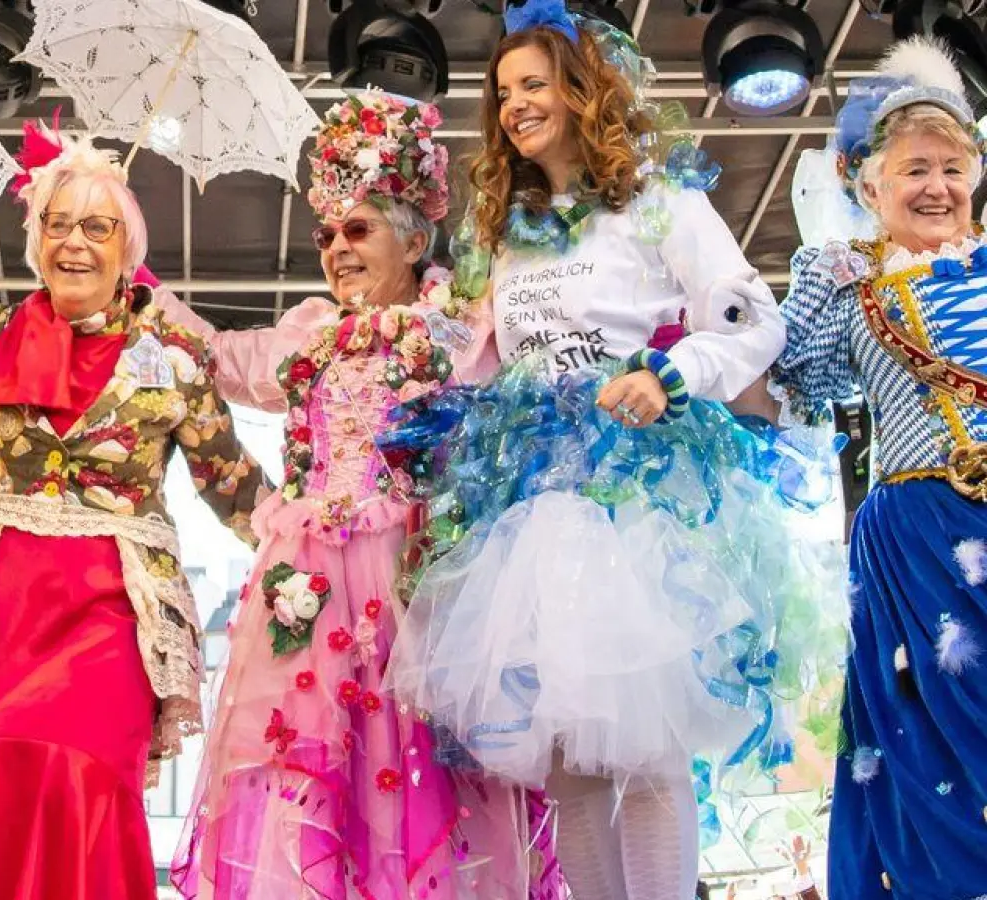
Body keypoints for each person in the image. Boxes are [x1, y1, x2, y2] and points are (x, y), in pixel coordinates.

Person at [380, 2, 843, 899]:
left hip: (641, 492)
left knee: (650, 753)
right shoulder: (504, 236)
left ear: (581, 89)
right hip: (532, 505)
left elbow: (754, 317)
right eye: (503, 90)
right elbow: (487, 358)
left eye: (534, 83)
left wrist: (670, 375)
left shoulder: (656, 200)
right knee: (573, 771)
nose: (515, 105)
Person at [160, 93, 561, 900]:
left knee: (421, 776)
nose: (337, 250)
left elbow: (530, 390)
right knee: (307, 785)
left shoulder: (464, 324)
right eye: (327, 235)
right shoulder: (311, 329)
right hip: (310, 591)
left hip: (419, 585)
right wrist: (141, 287)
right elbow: (219, 358)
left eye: (358, 231)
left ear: (415, 239)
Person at [0, 130, 267, 899]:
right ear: (34, 237)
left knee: (83, 784)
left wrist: (325, 542)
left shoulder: (174, 355)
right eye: (57, 223)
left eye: (96, 226)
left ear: (127, 247)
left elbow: (232, 483)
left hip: (109, 615)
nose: (73, 242)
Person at [771, 36, 987, 900]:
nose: (937, 187)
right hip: (916, 534)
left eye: (953, 168)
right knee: (936, 733)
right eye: (914, 170)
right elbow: (803, 380)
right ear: (870, 187)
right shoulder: (854, 283)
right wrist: (819, 275)